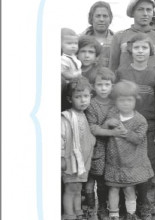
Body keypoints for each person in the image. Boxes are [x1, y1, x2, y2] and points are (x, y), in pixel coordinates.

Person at [116, 33, 155, 208]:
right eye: (137, 47)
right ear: (130, 49)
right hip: (124, 127)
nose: (140, 51)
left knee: (148, 162)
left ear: (150, 51)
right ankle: (127, 201)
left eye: (144, 48)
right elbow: (114, 99)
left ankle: (146, 201)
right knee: (126, 162)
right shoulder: (121, 73)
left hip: (149, 129)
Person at [104, 81, 154, 220]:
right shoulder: (113, 113)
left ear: (135, 101)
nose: (125, 103)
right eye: (121, 100)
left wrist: (126, 132)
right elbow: (104, 126)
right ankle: (113, 214)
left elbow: (138, 139)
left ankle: (131, 214)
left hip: (131, 162)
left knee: (129, 189)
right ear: (115, 101)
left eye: (129, 100)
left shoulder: (140, 120)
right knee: (113, 188)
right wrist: (107, 123)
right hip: (115, 161)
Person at [109, 0, 155, 88]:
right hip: (124, 92)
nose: (145, 13)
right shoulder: (119, 37)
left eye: (149, 10)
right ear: (133, 12)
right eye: (140, 9)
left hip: (149, 94)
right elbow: (112, 68)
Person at [84, 67, 117, 220]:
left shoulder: (115, 103)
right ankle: (90, 207)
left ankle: (102, 207)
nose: (103, 88)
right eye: (99, 85)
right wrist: (109, 130)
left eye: (107, 84)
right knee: (91, 180)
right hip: (94, 148)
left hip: (111, 149)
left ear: (112, 85)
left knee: (104, 182)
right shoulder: (91, 105)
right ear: (93, 86)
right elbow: (92, 128)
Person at [62, 77, 96, 220]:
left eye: (86, 96)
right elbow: (60, 137)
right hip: (70, 160)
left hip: (82, 161)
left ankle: (78, 211)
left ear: (91, 97)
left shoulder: (84, 115)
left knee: (78, 188)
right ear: (70, 99)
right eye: (78, 97)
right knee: (70, 188)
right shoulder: (67, 117)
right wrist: (61, 156)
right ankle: (69, 214)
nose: (83, 100)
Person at [81, 1, 115, 68]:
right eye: (98, 16)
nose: (101, 19)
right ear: (91, 18)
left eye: (105, 16)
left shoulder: (117, 41)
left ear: (110, 19)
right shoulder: (79, 40)